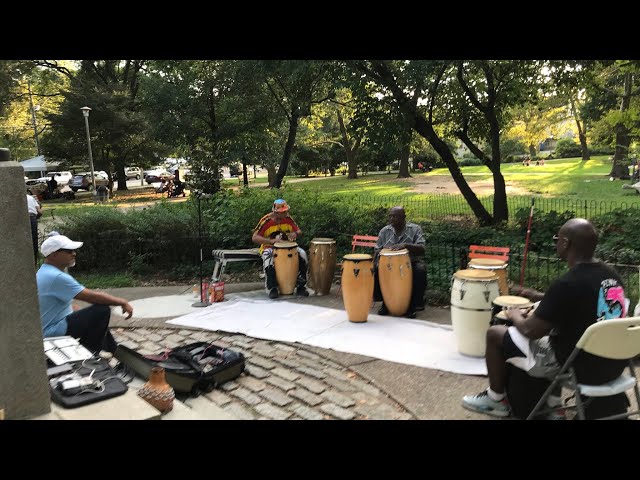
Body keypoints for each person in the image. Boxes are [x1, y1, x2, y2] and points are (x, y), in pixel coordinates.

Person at [462, 218, 629, 419]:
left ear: (566, 243)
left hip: (579, 367)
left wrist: (514, 315)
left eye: (557, 239)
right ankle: (554, 404)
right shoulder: (611, 275)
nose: (556, 243)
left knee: (496, 334)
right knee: (559, 334)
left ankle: (495, 399)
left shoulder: (567, 283)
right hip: (614, 364)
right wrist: (542, 297)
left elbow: (531, 330)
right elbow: (588, 299)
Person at [36, 234, 134, 355]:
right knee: (101, 311)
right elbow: (92, 297)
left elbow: (63, 305)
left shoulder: (44, 271)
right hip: (52, 332)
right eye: (69, 251)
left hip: (47, 328)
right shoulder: (56, 277)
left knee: (93, 318)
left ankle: (117, 352)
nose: (74, 253)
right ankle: (89, 355)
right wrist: (122, 302)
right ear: (54, 254)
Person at [373, 206, 426, 318]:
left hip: (409, 263)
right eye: (390, 216)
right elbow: (377, 249)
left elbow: (422, 248)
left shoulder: (415, 229)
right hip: (388, 264)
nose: (392, 219)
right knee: (376, 268)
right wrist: (377, 260)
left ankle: (413, 304)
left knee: (420, 270)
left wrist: (406, 245)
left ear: (403, 217)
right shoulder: (384, 231)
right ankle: (385, 303)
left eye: (395, 216)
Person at [252, 199, 309, 299]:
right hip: (269, 247)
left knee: (303, 254)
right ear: (276, 212)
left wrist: (294, 233)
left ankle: (301, 286)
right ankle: (271, 288)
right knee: (268, 256)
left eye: (286, 211)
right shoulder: (266, 220)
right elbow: (254, 237)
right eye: (284, 211)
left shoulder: (288, 218)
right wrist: (270, 241)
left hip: (288, 247)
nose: (286, 213)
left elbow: (299, 231)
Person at [26, 190, 43, 263]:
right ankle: (34, 261)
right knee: (33, 240)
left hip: (20, 219)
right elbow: (39, 211)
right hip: (32, 218)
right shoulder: (30, 198)